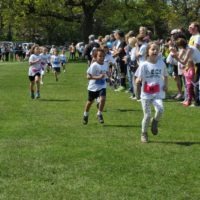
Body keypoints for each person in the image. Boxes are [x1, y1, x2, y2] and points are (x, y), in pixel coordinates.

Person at [135, 42, 168, 143]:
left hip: (157, 92)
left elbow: (166, 75)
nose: (155, 51)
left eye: (156, 49)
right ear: (147, 51)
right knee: (147, 115)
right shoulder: (143, 65)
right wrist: (138, 81)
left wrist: (166, 85)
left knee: (161, 110)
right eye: (152, 49)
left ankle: (155, 122)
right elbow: (137, 77)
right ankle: (144, 133)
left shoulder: (161, 63)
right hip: (146, 93)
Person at [82, 48, 108, 125]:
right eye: (100, 56)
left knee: (103, 99)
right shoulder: (94, 65)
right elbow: (88, 76)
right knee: (90, 102)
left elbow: (105, 73)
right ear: (95, 57)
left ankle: (99, 113)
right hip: (93, 87)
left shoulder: (105, 64)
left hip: (102, 86)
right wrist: (98, 77)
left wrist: (108, 76)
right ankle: (85, 115)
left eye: (103, 56)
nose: (102, 58)